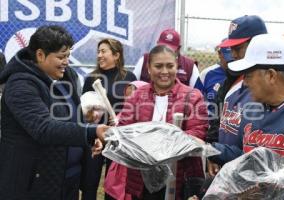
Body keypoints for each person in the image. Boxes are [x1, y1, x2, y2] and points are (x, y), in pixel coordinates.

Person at [0, 25, 108, 200]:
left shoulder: (68, 76)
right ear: (40, 55)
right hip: (32, 186)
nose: (66, 61)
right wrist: (91, 131)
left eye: (68, 56)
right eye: (60, 57)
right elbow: (44, 128)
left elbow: (73, 118)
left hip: (67, 181)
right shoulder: (20, 84)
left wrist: (88, 134)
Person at [208, 34, 284, 199]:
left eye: (248, 75)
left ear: (271, 75)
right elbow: (247, 156)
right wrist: (206, 149)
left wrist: (268, 192)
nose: (245, 82)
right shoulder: (255, 108)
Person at [114, 45, 208, 200]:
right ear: (149, 68)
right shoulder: (137, 96)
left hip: (179, 178)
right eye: (158, 66)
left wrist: (157, 144)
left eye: (170, 66)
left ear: (177, 66)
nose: (165, 71)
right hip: (142, 181)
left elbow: (197, 131)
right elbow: (124, 129)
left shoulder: (192, 96)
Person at [205, 15, 268, 175]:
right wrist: (213, 153)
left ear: (257, 44)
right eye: (231, 48)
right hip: (227, 171)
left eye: (238, 48)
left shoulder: (274, 86)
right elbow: (218, 121)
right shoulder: (231, 79)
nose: (232, 54)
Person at [80, 38, 136, 200]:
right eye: (98, 52)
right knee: (90, 183)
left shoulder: (129, 77)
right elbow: (84, 112)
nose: (99, 55)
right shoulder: (92, 78)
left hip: (119, 138)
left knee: (115, 185)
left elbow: (133, 107)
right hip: (96, 137)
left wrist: (121, 119)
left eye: (103, 51)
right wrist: (91, 116)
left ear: (116, 55)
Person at [133, 29, 202, 90]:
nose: (165, 51)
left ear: (178, 49)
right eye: (158, 66)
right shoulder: (145, 60)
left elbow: (197, 91)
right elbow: (133, 85)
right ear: (157, 45)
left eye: (170, 49)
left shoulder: (189, 66)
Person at [199, 42, 233, 113]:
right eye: (228, 59)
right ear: (219, 54)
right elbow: (196, 100)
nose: (231, 62)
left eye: (233, 59)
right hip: (210, 120)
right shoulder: (207, 74)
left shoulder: (243, 74)